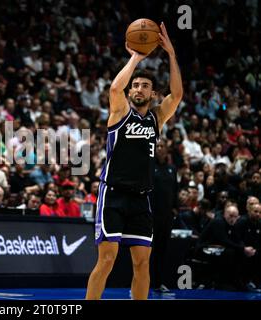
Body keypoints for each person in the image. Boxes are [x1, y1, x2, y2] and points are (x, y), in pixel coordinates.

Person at [86, 23, 183, 300]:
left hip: (142, 198)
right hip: (113, 193)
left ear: (153, 94)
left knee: (142, 263)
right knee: (107, 260)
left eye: (145, 86)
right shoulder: (119, 112)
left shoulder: (156, 118)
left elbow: (176, 95)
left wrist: (172, 56)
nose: (138, 88)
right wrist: (136, 58)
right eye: (136, 85)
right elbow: (115, 88)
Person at [150, 138, 178, 293]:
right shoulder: (149, 167)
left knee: (162, 250)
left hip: (166, 217)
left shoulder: (172, 169)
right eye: (157, 146)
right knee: (147, 250)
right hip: (151, 215)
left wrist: (175, 208)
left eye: (162, 146)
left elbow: (175, 190)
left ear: (166, 150)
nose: (159, 148)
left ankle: (159, 282)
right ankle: (142, 282)